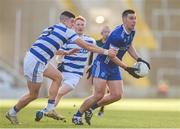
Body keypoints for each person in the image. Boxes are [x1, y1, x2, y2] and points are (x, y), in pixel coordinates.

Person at [5, 11, 117, 124]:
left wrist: (67, 53)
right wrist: (106, 51)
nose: (73, 24)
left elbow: (52, 48)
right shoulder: (67, 31)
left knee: (58, 77)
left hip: (37, 59)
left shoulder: (51, 28)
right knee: (33, 94)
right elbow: (86, 46)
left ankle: (50, 108)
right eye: (72, 22)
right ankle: (12, 113)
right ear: (65, 21)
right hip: (36, 62)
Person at [72, 9, 150, 125]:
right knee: (98, 94)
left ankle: (91, 108)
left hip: (113, 66)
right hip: (102, 64)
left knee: (117, 95)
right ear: (124, 20)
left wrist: (139, 59)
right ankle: (77, 115)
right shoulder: (116, 35)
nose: (134, 21)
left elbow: (129, 46)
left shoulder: (132, 31)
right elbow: (112, 55)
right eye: (131, 18)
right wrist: (127, 68)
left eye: (135, 18)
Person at [35, 15, 96, 121]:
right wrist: (60, 62)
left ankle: (45, 110)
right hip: (63, 71)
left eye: (82, 25)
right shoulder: (67, 40)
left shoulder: (90, 41)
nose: (80, 26)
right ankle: (48, 110)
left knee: (61, 92)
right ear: (74, 26)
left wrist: (91, 66)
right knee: (59, 92)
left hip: (76, 74)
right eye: (78, 24)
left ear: (85, 26)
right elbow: (59, 54)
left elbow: (93, 54)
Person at [87, 26, 111, 117]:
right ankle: (90, 108)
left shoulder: (112, 44)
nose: (107, 34)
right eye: (105, 32)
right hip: (97, 69)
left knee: (108, 91)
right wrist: (89, 66)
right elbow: (91, 54)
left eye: (109, 32)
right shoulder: (96, 43)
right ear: (101, 33)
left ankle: (101, 109)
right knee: (97, 92)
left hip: (108, 69)